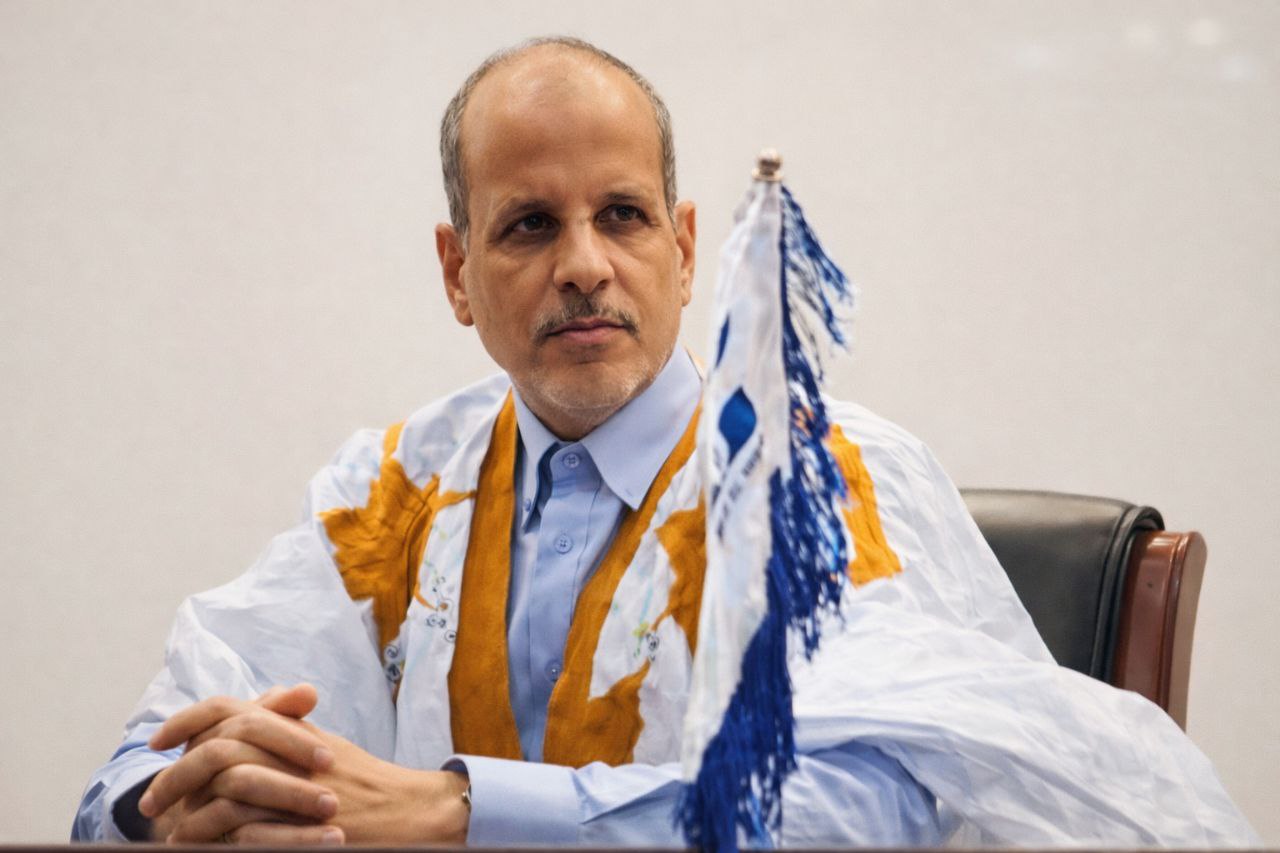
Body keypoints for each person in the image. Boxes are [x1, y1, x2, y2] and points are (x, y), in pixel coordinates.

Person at [73, 37, 1257, 847]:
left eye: (621, 215)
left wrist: (458, 810)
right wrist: (184, 804)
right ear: (456, 271)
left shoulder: (817, 479)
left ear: (684, 251)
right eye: (528, 225)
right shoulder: (393, 488)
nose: (584, 265)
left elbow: (873, 809)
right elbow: (138, 762)